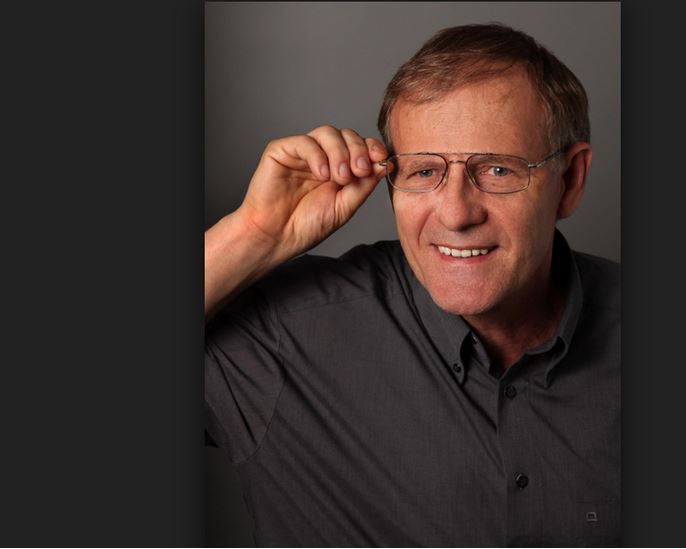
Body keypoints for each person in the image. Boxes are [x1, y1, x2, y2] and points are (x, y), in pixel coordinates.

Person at [205, 23, 620, 547]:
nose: (456, 214)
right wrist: (253, 233)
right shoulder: (289, 334)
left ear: (570, 179)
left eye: (497, 170)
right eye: (424, 172)